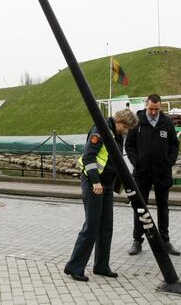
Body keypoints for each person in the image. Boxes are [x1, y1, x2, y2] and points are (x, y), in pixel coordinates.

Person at [64, 109, 139, 282]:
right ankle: (74, 267)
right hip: (93, 182)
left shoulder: (116, 134)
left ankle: (101, 266)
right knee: (91, 226)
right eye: (125, 127)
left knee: (106, 226)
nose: (126, 131)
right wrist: (95, 182)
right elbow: (89, 157)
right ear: (119, 120)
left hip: (105, 184)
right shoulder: (100, 129)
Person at [125, 94, 181, 256]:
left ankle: (165, 240)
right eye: (151, 108)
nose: (154, 112)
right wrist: (136, 161)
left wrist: (169, 161)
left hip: (162, 172)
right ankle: (137, 240)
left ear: (160, 107)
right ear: (146, 105)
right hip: (142, 172)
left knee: (163, 207)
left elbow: (174, 144)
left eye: (156, 109)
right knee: (140, 207)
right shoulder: (137, 122)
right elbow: (129, 144)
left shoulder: (167, 122)